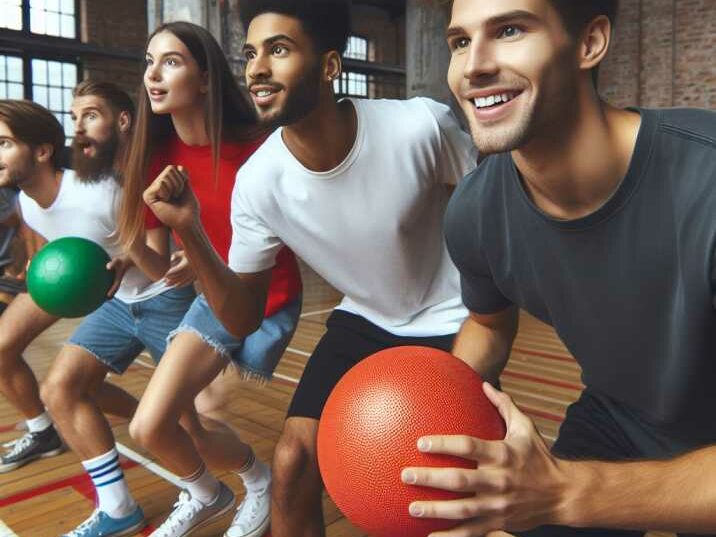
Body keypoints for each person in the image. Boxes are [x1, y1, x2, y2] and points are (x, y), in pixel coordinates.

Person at [140, 1, 477, 536]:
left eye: (278, 50)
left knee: (438, 492)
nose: (256, 69)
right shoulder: (259, 181)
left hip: (456, 317)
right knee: (293, 463)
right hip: (365, 319)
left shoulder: (419, 127)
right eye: (251, 53)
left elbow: (488, 214)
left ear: (328, 66)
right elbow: (243, 317)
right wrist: (190, 229)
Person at [399, 0, 716, 536]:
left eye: (510, 29)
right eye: (459, 41)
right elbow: (488, 323)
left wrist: (567, 493)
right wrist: (432, 415)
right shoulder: (474, 211)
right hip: (620, 420)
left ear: (589, 44)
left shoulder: (706, 177)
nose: (473, 64)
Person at [120, 21, 303, 537]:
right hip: (214, 299)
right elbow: (163, 272)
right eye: (148, 63)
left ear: (204, 79)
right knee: (151, 425)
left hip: (268, 299)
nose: (153, 75)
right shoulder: (157, 159)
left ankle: (242, 486)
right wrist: (133, 243)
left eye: (170, 62)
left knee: (189, 413)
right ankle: (232, 486)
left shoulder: (261, 147)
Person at [17, 80, 196, 537]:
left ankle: (245, 480)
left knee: (185, 425)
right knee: (62, 388)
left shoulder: (115, 187)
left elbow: (157, 266)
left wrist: (129, 252)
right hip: (117, 304)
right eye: (73, 117)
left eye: (89, 115)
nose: (78, 126)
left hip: (164, 299)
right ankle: (118, 509)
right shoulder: (32, 200)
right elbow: (52, 247)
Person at [0, 96, 143, 475]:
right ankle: (42, 431)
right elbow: (55, 235)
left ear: (43, 151)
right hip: (76, 283)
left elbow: (157, 233)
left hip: (134, 290)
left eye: (4, 143)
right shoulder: (28, 203)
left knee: (79, 385)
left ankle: (148, 416)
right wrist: (39, 262)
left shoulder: (98, 192)